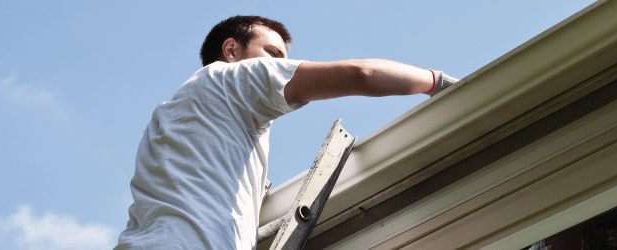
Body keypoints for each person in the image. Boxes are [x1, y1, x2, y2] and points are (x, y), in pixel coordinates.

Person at [115, 15, 458, 250]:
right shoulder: (231, 77)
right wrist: (440, 84)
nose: (278, 64)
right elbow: (362, 74)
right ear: (232, 50)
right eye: (272, 54)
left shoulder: (176, 116)